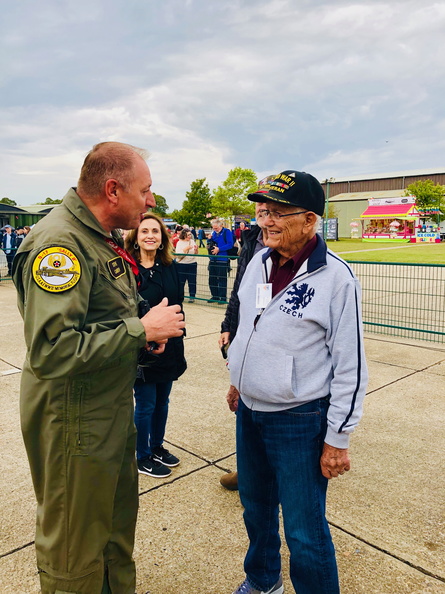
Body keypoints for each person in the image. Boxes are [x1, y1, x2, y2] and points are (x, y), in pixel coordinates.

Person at [12, 141, 185, 594]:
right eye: (145, 191)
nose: (151, 201)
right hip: (74, 423)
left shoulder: (97, 237)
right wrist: (140, 331)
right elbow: (51, 349)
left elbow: (100, 323)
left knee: (111, 534)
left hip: (105, 415)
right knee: (74, 546)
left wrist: (141, 340)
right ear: (113, 190)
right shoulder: (60, 245)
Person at [228, 170, 368, 594]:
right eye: (264, 211)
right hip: (250, 412)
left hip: (300, 419)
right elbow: (250, 326)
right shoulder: (259, 260)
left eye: (277, 213)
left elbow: (351, 366)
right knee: (255, 508)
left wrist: (338, 438)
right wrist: (239, 379)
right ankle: (263, 580)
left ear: (310, 220)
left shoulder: (336, 279)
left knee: (305, 530)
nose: (265, 221)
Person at [125, 213, 186, 479]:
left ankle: (157, 446)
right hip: (144, 348)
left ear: (162, 238)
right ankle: (142, 456)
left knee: (163, 401)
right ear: (136, 238)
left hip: (171, 344)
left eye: (155, 231)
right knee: (146, 403)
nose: (150, 235)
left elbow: (178, 303)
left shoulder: (170, 266)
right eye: (144, 231)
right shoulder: (128, 269)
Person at [218, 205, 267, 491]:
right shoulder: (250, 240)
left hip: (275, 331)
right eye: (260, 209)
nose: (265, 215)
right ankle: (248, 468)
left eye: (271, 209)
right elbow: (239, 289)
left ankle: (268, 471)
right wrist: (228, 325)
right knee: (242, 401)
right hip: (246, 328)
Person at [207, 217, 234, 303]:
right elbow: (212, 243)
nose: (215, 229)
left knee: (222, 279)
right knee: (212, 279)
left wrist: (219, 249)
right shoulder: (214, 233)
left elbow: (230, 244)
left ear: (220, 226)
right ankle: (215, 296)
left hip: (222, 259)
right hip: (213, 259)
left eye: (216, 228)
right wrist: (209, 239)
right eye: (214, 228)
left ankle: (222, 297)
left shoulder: (227, 232)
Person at [175, 228, 198, 303]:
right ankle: (180, 296)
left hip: (192, 263)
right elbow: (178, 254)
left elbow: (196, 254)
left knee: (192, 281)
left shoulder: (192, 241)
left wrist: (196, 249)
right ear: (184, 235)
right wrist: (186, 249)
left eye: (190, 235)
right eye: (188, 235)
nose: (189, 236)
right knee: (181, 282)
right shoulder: (179, 243)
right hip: (182, 264)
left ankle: (192, 296)